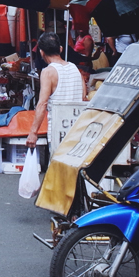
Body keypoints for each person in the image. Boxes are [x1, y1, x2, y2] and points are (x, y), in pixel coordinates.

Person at [28, 34, 83, 180]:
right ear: (60, 49)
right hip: (76, 128)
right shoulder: (76, 69)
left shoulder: (48, 72)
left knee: (59, 172)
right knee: (73, 170)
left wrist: (33, 132)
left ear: (41, 52)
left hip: (58, 130)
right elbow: (83, 97)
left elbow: (42, 104)